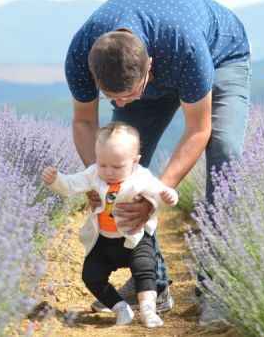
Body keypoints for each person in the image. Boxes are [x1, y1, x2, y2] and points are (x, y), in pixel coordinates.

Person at [64, 0, 251, 324]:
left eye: (129, 95)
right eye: (112, 98)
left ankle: (219, 288)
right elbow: (83, 121)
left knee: (225, 153)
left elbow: (198, 130)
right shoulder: (81, 53)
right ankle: (151, 281)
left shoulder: (187, 49)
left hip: (221, 55)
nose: (121, 105)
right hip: (160, 60)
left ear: (150, 66)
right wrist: (99, 177)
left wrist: (154, 195)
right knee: (120, 165)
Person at [40, 122, 179, 328]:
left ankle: (148, 309)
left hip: (135, 236)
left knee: (145, 269)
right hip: (104, 239)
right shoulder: (94, 173)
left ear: (135, 161)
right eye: (103, 164)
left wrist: (170, 195)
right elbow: (71, 185)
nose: (108, 171)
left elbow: (160, 191)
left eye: (117, 166)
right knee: (91, 275)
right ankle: (120, 307)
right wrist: (56, 180)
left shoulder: (141, 176)